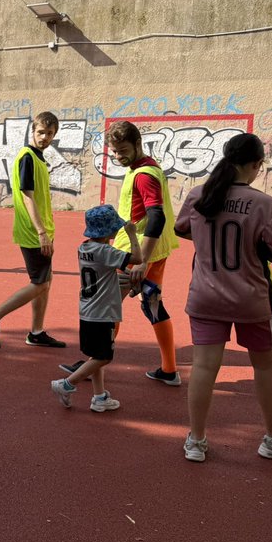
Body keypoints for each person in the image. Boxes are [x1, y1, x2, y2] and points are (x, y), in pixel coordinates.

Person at [174, 132, 272, 463]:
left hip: (205, 295)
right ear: (255, 164)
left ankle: (196, 440)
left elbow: (182, 229)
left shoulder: (198, 194)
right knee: (265, 367)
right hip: (252, 298)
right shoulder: (264, 204)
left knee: (204, 367)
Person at [0, 112, 66, 348]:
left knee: (45, 280)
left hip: (41, 230)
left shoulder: (38, 159)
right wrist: (41, 232)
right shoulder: (27, 157)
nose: (44, 137)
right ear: (32, 131)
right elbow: (27, 197)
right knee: (41, 283)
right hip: (33, 232)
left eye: (49, 134)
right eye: (40, 132)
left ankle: (36, 332)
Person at [105, 121, 181, 385]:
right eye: (114, 152)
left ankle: (92, 363)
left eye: (122, 150)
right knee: (153, 305)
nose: (118, 156)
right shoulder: (148, 167)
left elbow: (156, 217)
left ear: (138, 143)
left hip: (135, 253)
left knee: (106, 306)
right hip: (155, 252)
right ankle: (169, 369)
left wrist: (142, 260)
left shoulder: (143, 174)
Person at [51, 206, 140, 411]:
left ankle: (99, 397)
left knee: (96, 356)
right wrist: (132, 235)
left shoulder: (85, 247)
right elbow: (137, 258)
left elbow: (106, 270)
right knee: (104, 357)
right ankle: (66, 384)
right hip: (102, 312)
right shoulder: (105, 251)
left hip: (88, 310)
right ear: (108, 231)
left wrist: (126, 275)